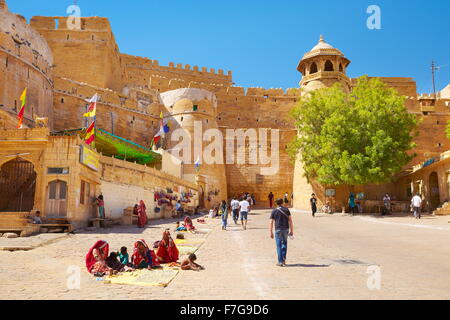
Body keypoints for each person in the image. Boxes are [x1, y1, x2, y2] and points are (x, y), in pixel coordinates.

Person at [269, 199, 294, 267]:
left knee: (278, 245)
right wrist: (292, 230)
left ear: (276, 203)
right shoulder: (286, 210)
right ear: (282, 203)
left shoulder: (274, 211)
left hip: (278, 229)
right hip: (286, 229)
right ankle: (284, 259)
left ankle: (280, 261)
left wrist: (271, 232)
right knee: (284, 243)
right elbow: (290, 221)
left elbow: (271, 222)